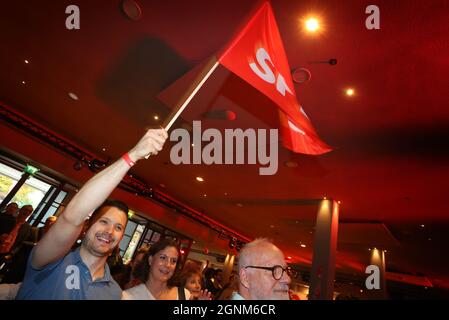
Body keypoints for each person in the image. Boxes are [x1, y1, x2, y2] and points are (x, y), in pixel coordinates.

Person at [15, 128, 168, 299]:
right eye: (103, 222)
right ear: (86, 226)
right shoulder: (51, 260)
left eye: (118, 227)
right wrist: (133, 155)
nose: (109, 231)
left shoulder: (114, 293)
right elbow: (72, 216)